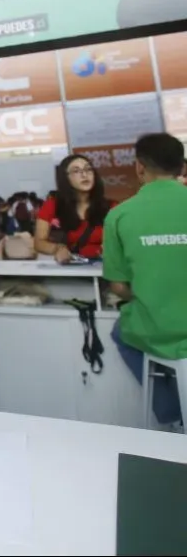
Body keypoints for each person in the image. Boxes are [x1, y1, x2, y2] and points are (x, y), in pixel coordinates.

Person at [104, 133, 187, 429]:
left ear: (139, 167)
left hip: (155, 330)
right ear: (182, 167)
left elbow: (118, 286)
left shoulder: (120, 215)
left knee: (120, 333)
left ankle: (170, 411)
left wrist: (150, 296)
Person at [34, 154, 111, 263]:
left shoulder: (111, 207)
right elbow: (39, 243)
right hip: (68, 270)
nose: (85, 175)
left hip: (104, 269)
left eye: (88, 169)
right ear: (65, 178)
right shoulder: (52, 205)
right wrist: (57, 248)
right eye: (76, 171)